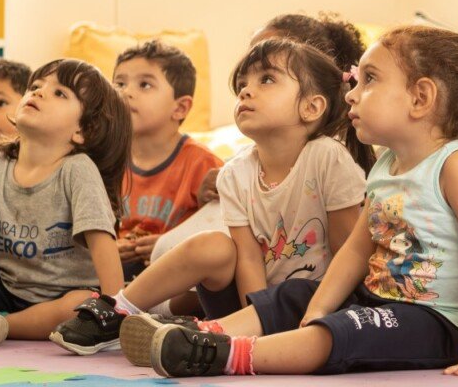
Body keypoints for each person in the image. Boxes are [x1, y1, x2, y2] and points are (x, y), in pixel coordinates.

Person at [130, 25, 458, 377]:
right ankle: (207, 332)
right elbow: (358, 248)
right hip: (379, 297)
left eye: (370, 80)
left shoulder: (457, 165)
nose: (351, 95)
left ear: (420, 98)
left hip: (438, 320)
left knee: (342, 332)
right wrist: (319, 304)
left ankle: (229, 355)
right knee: (297, 295)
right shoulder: (385, 169)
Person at [50, 38, 370, 356]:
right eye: (243, 84)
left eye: (267, 80)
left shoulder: (328, 158)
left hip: (314, 304)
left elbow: (347, 254)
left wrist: (277, 319)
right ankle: (118, 309)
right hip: (251, 303)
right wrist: (256, 315)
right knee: (213, 245)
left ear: (311, 107)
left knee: (297, 290)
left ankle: (191, 334)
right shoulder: (235, 172)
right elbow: (246, 258)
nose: (246, 90)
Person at [0, 59, 130, 348]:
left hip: (61, 293)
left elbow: (102, 241)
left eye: (60, 93)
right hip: (4, 283)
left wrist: (116, 308)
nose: (38, 93)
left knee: (81, 302)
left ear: (83, 131)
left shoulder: (77, 169)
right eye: (36, 86)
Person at [111, 40, 223, 280]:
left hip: (172, 278)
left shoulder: (202, 164)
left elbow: (219, 232)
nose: (126, 92)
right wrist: (108, 250)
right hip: (115, 273)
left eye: (145, 85)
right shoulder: (106, 160)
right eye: (119, 83)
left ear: (180, 108)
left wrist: (168, 245)